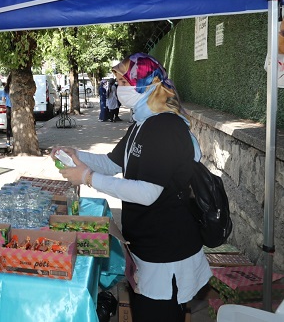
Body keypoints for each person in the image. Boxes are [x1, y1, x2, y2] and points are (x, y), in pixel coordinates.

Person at [52, 52, 211, 322]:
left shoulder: (165, 127)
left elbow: (148, 193)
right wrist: (75, 154)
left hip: (167, 250)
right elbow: (113, 163)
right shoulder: (142, 122)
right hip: (145, 244)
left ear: (146, 84)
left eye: (123, 82)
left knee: (159, 315)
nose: (118, 88)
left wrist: (88, 177)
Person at [1, 74, 12, 146]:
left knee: (9, 124)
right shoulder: (16, 87)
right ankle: (16, 141)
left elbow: (3, 99)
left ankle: (8, 141)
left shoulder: (6, 88)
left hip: (9, 108)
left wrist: (7, 102)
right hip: (17, 109)